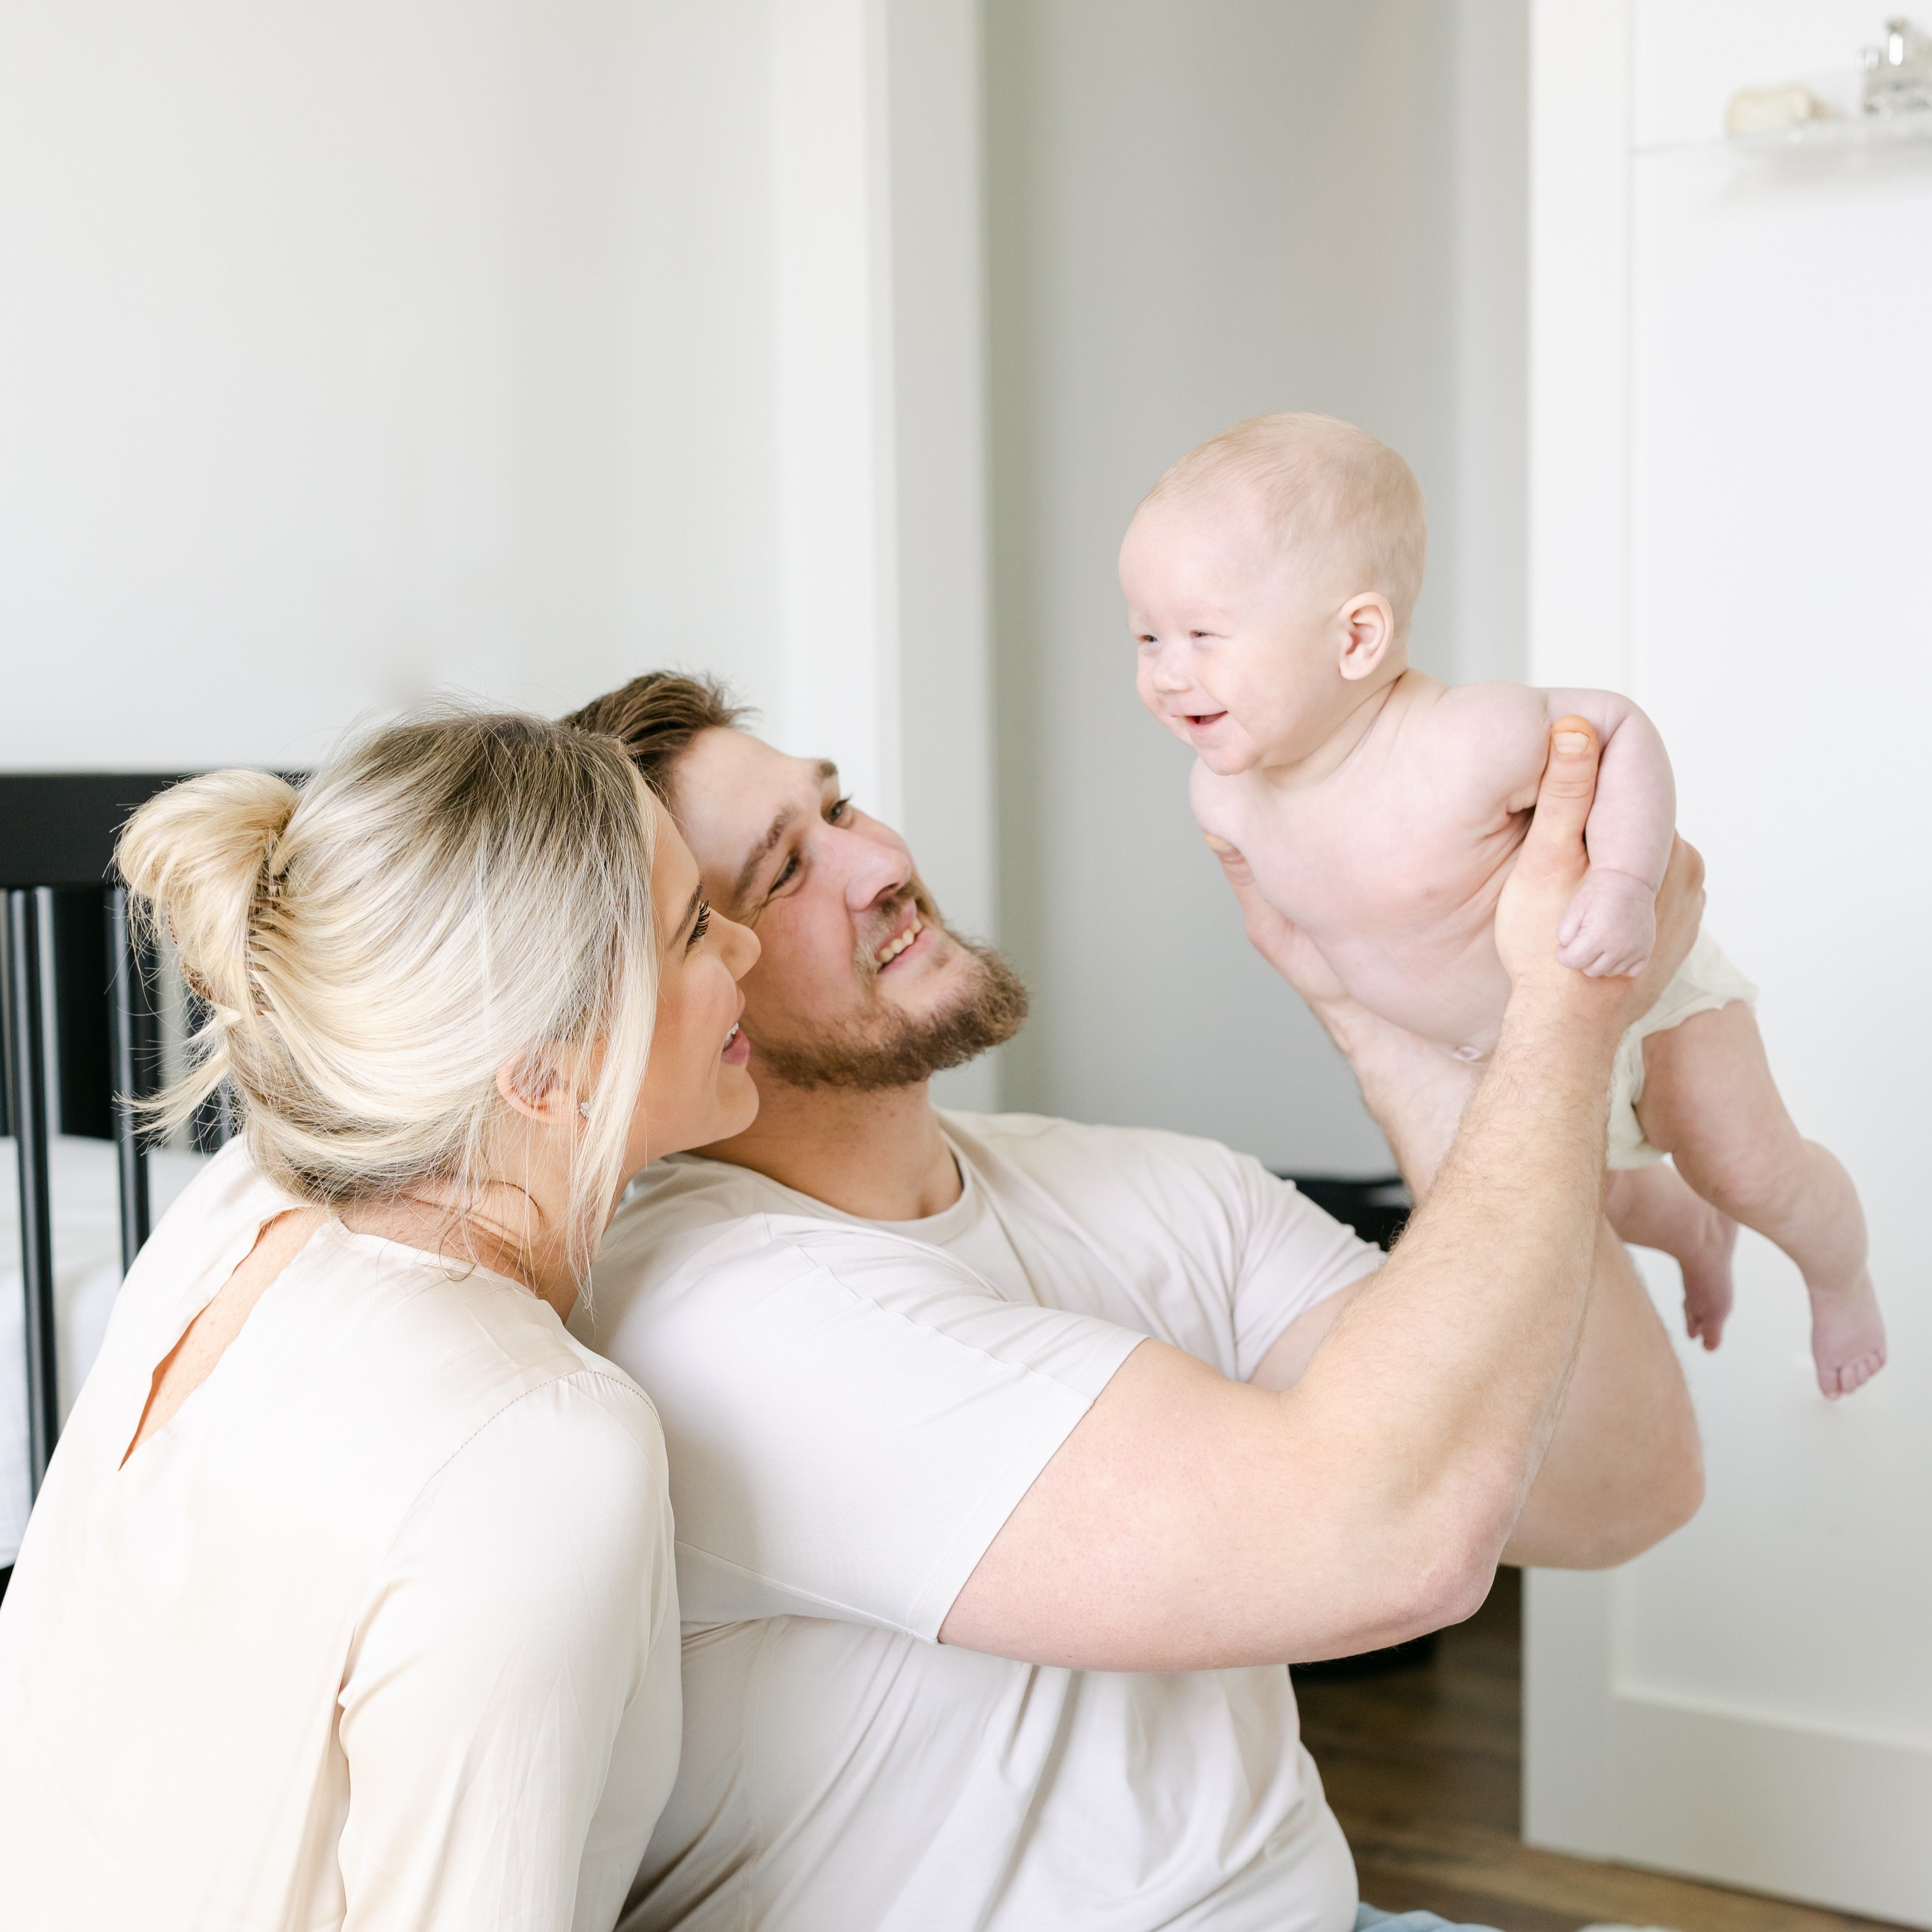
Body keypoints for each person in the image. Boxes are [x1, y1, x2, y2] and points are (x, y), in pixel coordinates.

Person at [561, 671, 1706, 1932]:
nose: (878, 861)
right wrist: (1566, 1014)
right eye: (784, 871)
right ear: (684, 980)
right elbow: (1392, 1551)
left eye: (842, 808)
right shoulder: (728, 1319)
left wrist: (1389, 1026)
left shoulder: (1138, 1184)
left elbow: (1615, 1484)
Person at [0, 708, 760, 1931]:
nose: (753, 945)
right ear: (545, 1073)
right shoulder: (544, 1445)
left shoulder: (239, 1203)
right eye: (694, 931)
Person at [1120, 409, 1884, 1397]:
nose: (1167, 672)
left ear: (1356, 637)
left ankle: (1841, 1276)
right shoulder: (1223, 794)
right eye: (1146, 635)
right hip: (1501, 1062)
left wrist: (1621, 883)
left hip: (1642, 997)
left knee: (1748, 1169)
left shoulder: (1461, 737)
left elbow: (1619, 726)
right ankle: (1694, 1236)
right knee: (1593, 1210)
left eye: (1203, 637)